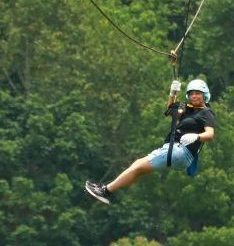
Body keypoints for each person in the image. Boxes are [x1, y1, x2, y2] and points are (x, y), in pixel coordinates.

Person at [85, 79, 215, 204]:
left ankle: (105, 191)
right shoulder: (188, 109)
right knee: (139, 169)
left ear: (204, 95)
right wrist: (173, 93)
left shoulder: (206, 113)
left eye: (197, 93)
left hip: (179, 151)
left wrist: (196, 136)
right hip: (178, 154)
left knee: (137, 165)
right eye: (191, 93)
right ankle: (108, 191)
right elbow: (171, 111)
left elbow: (210, 134)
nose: (194, 96)